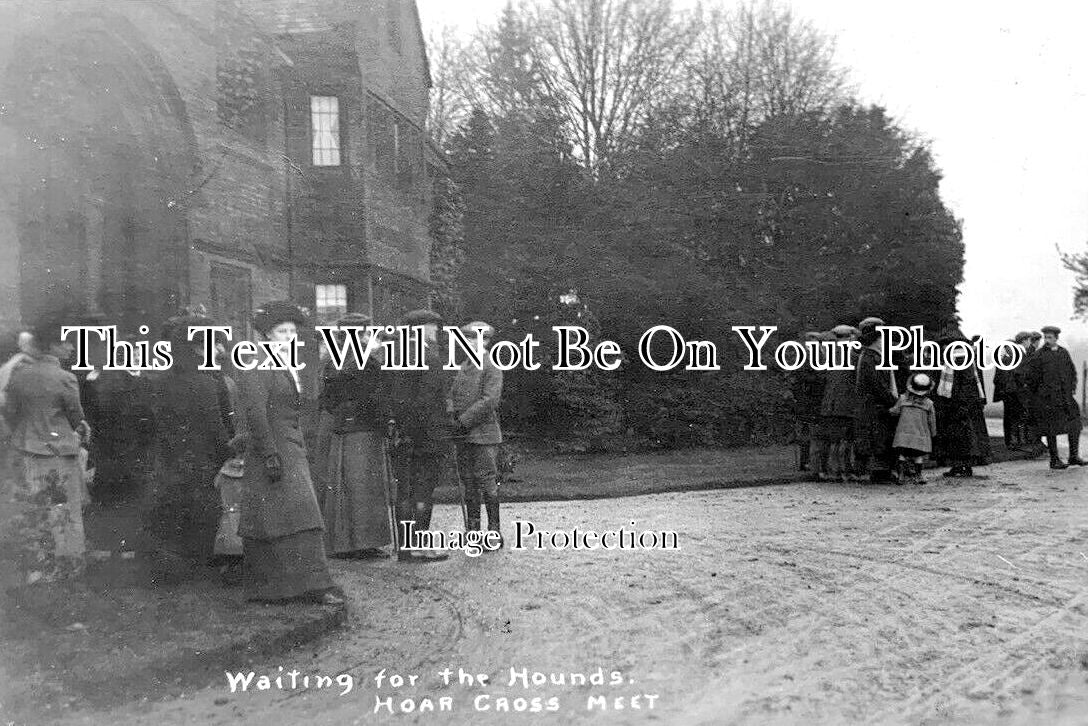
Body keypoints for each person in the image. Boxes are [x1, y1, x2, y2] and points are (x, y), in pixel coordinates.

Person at [236, 301, 343, 604]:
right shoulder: (257, 361)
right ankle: (287, 587)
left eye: (292, 332)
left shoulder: (281, 363)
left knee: (296, 516)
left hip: (290, 449)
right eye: (282, 331)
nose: (288, 337)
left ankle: (308, 585)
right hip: (273, 451)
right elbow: (256, 413)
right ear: (267, 335)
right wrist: (270, 453)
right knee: (284, 517)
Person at [140, 313, 232, 585]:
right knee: (202, 511)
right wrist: (228, 451)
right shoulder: (206, 382)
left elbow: (152, 421)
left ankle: (171, 569)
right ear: (197, 348)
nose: (215, 350)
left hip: (170, 456)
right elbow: (216, 425)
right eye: (210, 345)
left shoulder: (161, 380)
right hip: (201, 457)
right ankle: (196, 569)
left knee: (171, 511)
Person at [2, 316, 90, 585]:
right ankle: (68, 565)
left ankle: (40, 564)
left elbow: (11, 413)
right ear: (51, 347)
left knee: (36, 507)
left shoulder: (20, 377)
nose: (72, 348)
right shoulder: (66, 379)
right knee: (65, 506)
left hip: (28, 450)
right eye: (66, 343)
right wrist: (82, 431)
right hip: (60, 452)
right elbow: (76, 418)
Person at [313, 312, 394, 559]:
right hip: (364, 429)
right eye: (366, 333)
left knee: (343, 485)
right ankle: (362, 544)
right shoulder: (367, 362)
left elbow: (325, 400)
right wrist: (387, 422)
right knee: (363, 487)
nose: (369, 337)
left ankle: (342, 543)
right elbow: (377, 397)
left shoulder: (332, 361)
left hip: (341, 429)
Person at [386, 309, 454, 563]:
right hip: (427, 436)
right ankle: (419, 545)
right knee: (424, 491)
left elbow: (394, 397)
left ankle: (405, 547)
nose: (436, 331)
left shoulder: (397, 354)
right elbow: (426, 401)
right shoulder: (429, 357)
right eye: (432, 327)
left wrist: (400, 427)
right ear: (420, 329)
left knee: (406, 491)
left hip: (404, 435)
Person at [450, 321, 505, 550]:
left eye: (476, 339)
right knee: (468, 482)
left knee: (486, 481)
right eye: (468, 339)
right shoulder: (464, 365)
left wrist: (463, 421)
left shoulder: (490, 365)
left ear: (486, 341)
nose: (471, 343)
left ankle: (493, 532)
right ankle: (473, 531)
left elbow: (489, 400)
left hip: (483, 434)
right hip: (464, 435)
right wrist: (450, 416)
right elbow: (452, 395)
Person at [1025, 326, 1084, 469]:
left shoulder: (1063, 353)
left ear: (1056, 338)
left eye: (1050, 337)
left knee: (1075, 423)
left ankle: (1073, 456)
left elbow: (1072, 372)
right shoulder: (1039, 355)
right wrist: (1039, 394)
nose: (1047, 340)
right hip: (1048, 399)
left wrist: (1071, 388)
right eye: (1045, 337)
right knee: (1051, 428)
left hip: (1065, 397)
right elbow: (1031, 377)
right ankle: (1054, 459)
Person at [935, 327, 986, 478]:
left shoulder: (961, 359)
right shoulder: (958, 358)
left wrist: (961, 403)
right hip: (959, 402)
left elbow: (967, 383)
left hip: (961, 403)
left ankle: (963, 466)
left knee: (963, 436)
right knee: (961, 436)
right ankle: (961, 466)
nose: (943, 347)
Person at [854, 317, 899, 483]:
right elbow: (878, 385)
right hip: (874, 405)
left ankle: (883, 472)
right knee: (878, 439)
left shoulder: (872, 356)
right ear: (875, 339)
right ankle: (879, 473)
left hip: (874, 405)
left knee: (880, 438)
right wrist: (894, 401)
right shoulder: (870, 358)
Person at [817, 325, 858, 482]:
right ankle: (844, 470)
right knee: (846, 440)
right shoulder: (853, 355)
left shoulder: (826, 354)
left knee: (833, 440)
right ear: (849, 337)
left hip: (830, 403)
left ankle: (831, 470)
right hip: (847, 403)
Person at [790, 332, 828, 473]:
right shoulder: (806, 357)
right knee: (808, 433)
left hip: (812, 399)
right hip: (808, 400)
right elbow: (801, 377)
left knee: (811, 433)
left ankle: (809, 462)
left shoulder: (816, 355)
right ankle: (806, 462)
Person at [890, 373, 938, 485]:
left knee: (902, 455)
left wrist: (889, 411)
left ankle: (901, 476)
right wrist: (933, 434)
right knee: (918, 456)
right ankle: (918, 476)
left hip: (902, 436)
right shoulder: (929, 404)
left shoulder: (902, 399)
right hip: (920, 436)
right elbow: (932, 421)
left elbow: (894, 411)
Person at [993, 332, 1031, 449]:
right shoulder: (1019, 354)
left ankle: (1010, 441)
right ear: (1024, 341)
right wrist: (1025, 385)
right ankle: (1016, 442)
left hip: (1007, 391)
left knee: (1009, 416)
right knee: (1018, 416)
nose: (1029, 343)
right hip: (1016, 391)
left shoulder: (1007, 355)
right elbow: (1019, 374)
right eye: (1029, 340)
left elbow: (998, 377)